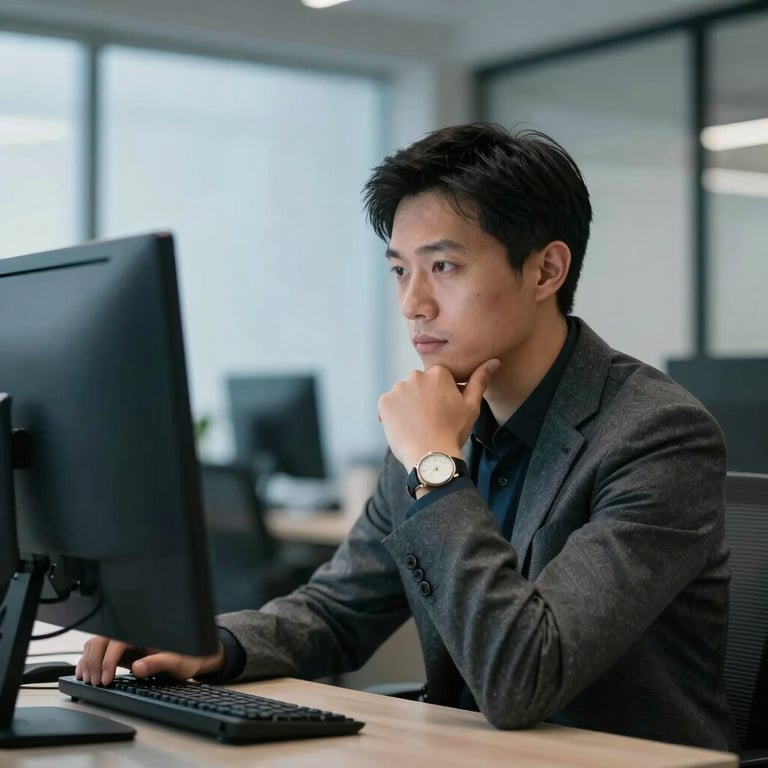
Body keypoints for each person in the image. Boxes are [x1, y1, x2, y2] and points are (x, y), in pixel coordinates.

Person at [78, 122, 733, 750]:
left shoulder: (657, 438)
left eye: (443, 267)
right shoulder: (436, 421)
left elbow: (522, 676)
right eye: (399, 270)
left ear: (545, 271)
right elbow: (337, 610)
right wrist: (218, 644)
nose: (413, 303)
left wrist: (433, 464)